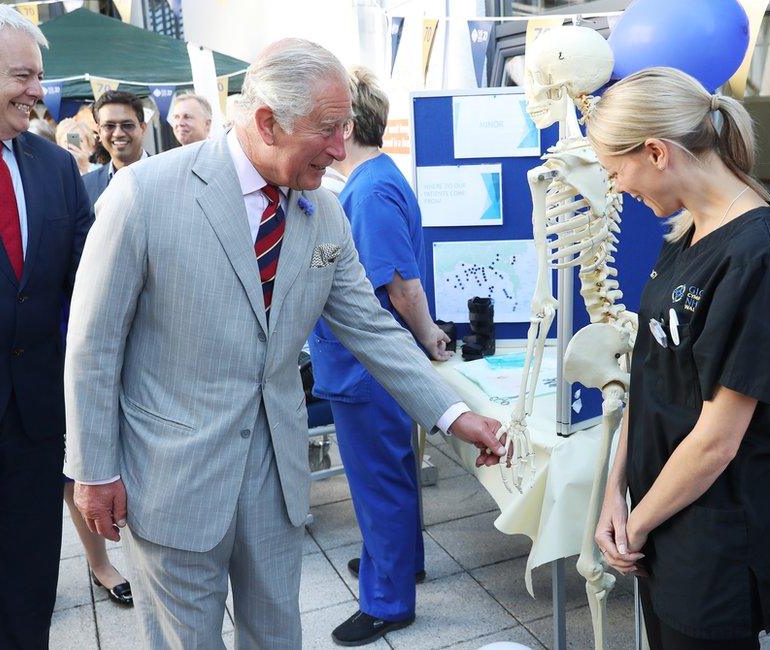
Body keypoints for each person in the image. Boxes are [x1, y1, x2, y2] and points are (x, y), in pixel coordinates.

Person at [63, 38, 506, 649]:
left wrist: (456, 417)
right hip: (170, 476)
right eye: (327, 129)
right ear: (268, 123)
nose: (339, 146)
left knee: (277, 636)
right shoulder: (144, 195)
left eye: (346, 126)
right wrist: (93, 470)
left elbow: (373, 328)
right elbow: (93, 346)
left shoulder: (323, 211)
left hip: (275, 474)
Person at [585, 67, 770, 650]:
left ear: (657, 151)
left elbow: (719, 439)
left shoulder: (761, 256)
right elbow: (653, 371)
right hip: (661, 521)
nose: (618, 189)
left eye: (618, 172)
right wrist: (617, 491)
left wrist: (634, 528)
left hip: (713, 538)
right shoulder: (687, 234)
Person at [307, 66, 452, 646]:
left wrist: (427, 335)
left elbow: (400, 286)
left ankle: (389, 599)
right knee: (390, 474)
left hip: (368, 367)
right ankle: (398, 562)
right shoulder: (376, 181)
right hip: (366, 366)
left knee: (379, 482)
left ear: (344, 126)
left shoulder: (367, 191)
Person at [0, 6, 93, 648]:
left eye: (40, 76)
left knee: (28, 592)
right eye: (23, 76)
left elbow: (91, 284)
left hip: (34, 424)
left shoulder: (56, 168)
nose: (38, 91)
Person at [81, 90, 148, 205]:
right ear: (99, 132)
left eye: (127, 125)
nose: (118, 133)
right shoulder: (86, 185)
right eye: (109, 126)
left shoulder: (168, 178)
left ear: (142, 128)